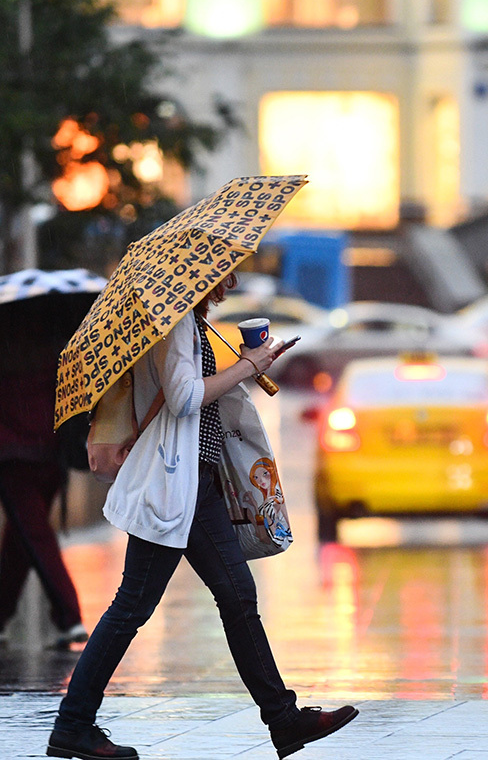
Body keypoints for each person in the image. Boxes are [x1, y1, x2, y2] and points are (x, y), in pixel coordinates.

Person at [47, 273, 357, 760]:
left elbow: (192, 390)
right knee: (134, 607)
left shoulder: (190, 322)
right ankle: (72, 724)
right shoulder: (174, 324)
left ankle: (284, 720)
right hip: (176, 483)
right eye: (225, 271)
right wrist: (248, 365)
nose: (231, 281)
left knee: (237, 596)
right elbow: (184, 396)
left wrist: (249, 365)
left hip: (197, 485)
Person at [0, 311, 87, 649]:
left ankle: (69, 616)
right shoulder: (58, 347)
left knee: (34, 536)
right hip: (50, 456)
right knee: (21, 537)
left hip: (12, 457)